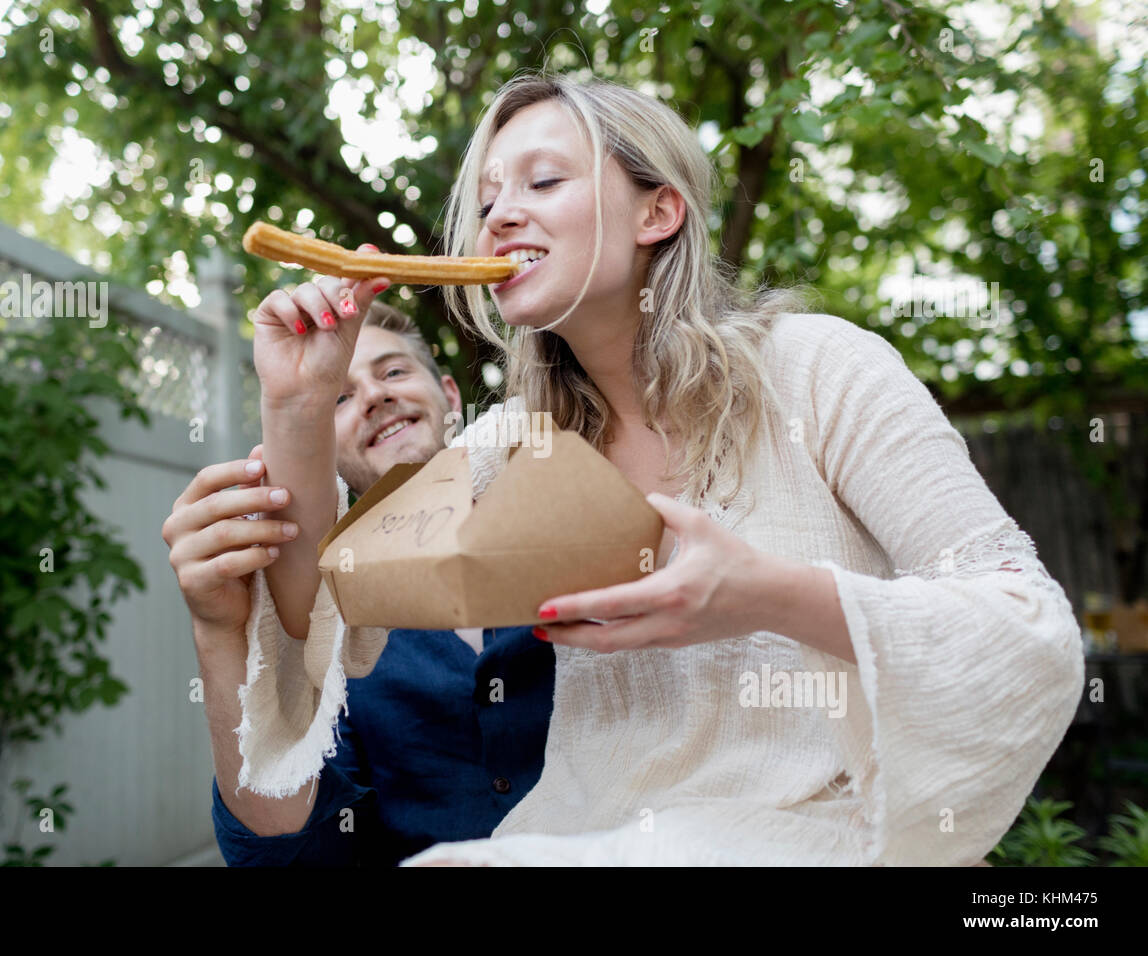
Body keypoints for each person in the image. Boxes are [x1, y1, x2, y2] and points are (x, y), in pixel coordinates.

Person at [242, 70, 1085, 867]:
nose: (496, 218)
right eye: (488, 198)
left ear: (659, 213)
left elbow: (1026, 629)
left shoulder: (823, 371)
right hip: (588, 839)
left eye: (542, 182)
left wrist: (764, 596)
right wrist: (298, 410)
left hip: (815, 833)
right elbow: (324, 602)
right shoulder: (515, 444)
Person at [163, 303, 554, 865]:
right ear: (317, 446)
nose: (374, 395)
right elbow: (286, 856)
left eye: (393, 372)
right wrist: (218, 629)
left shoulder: (574, 528)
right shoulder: (325, 630)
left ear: (448, 394)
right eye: (340, 397)